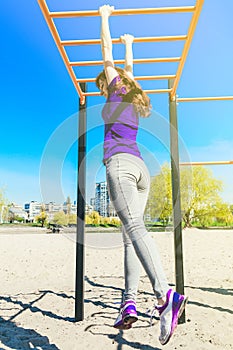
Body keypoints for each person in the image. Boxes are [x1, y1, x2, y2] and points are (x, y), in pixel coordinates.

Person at [96, 5, 188, 346]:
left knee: (134, 229)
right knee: (130, 235)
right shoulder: (133, 95)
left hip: (120, 165)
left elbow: (106, 52)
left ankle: (166, 296)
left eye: (107, 78)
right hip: (139, 169)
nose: (106, 79)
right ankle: (129, 301)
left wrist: (104, 17)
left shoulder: (116, 89)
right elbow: (128, 67)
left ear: (112, 83)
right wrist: (131, 42)